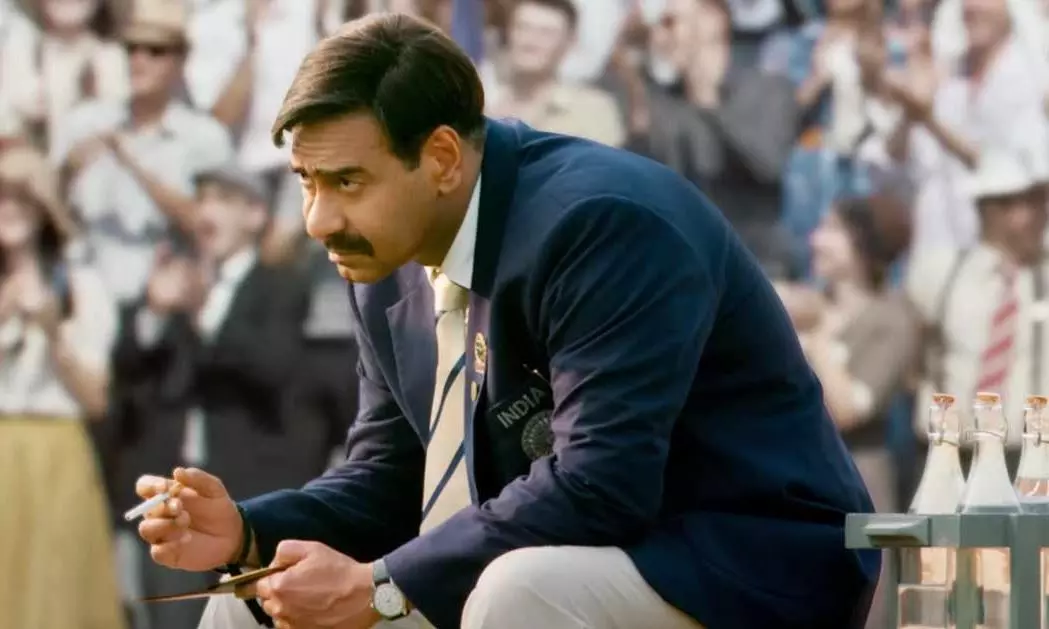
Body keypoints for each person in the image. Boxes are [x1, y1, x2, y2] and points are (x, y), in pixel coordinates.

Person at [135, 12, 878, 629]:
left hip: (745, 564)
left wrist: (383, 587)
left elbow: (601, 484)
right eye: (306, 181)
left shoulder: (601, 224)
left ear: (442, 158)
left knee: (518, 591)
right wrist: (245, 530)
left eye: (347, 182)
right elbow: (390, 479)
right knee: (249, 601)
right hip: (550, 552)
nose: (317, 220)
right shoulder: (382, 250)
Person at [0, 145, 125, 629]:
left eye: (22, 198)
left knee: (56, 594)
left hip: (55, 454)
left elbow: (96, 400)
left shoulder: (80, 287)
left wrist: (54, 334)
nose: (9, 210)